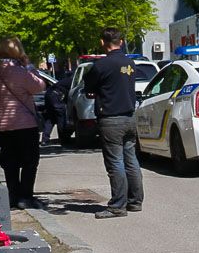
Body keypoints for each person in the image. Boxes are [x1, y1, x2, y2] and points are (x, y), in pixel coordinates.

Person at [0, 37, 46, 209]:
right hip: (24, 124)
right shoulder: (21, 72)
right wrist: (29, 66)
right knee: (30, 161)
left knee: (10, 162)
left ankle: (13, 197)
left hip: (0, 126)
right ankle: (26, 196)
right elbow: (40, 86)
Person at [83, 28, 143, 219]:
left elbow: (88, 86)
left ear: (103, 42)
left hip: (111, 119)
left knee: (115, 162)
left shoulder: (102, 65)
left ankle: (118, 205)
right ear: (122, 41)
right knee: (131, 160)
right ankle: (135, 201)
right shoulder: (129, 62)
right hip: (129, 117)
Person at [41, 71, 71, 145]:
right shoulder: (73, 82)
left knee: (50, 118)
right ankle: (63, 139)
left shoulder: (65, 81)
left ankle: (45, 139)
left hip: (49, 94)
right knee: (61, 117)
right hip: (56, 96)